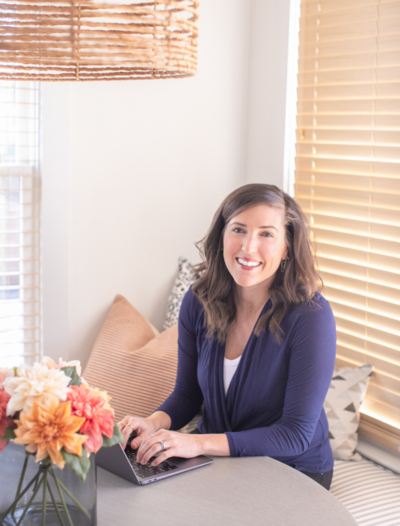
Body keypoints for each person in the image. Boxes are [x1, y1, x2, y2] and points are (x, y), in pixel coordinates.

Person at [119, 184, 336, 490]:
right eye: (239, 229)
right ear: (222, 236)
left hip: (292, 470)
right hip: (220, 460)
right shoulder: (198, 300)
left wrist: (196, 444)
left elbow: (295, 434)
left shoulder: (311, 316)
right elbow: (187, 395)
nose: (248, 247)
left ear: (286, 247)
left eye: (266, 234)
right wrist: (153, 422)